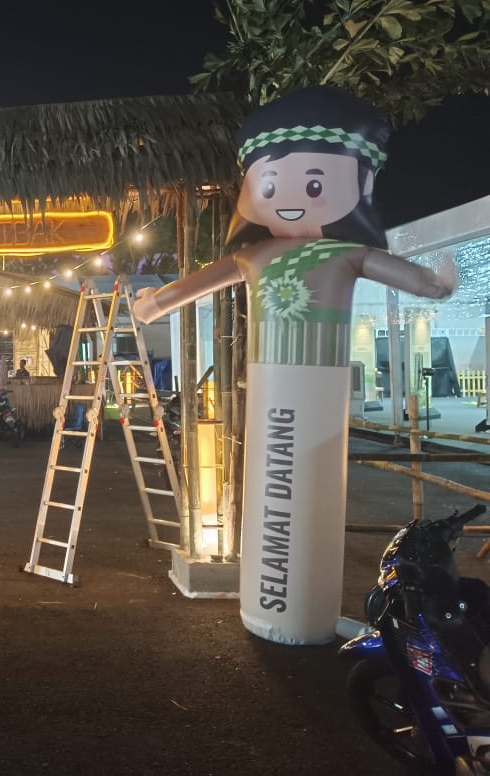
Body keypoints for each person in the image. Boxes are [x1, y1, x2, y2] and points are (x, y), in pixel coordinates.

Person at [131, 86, 455, 646]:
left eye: (315, 184)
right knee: (276, 485)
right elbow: (191, 286)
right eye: (269, 186)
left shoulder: (345, 254)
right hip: (271, 381)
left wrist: (435, 283)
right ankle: (274, 609)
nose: (287, 201)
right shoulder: (253, 255)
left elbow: (417, 280)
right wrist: (152, 304)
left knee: (301, 491)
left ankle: (304, 614)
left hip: (316, 385)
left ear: (362, 185)